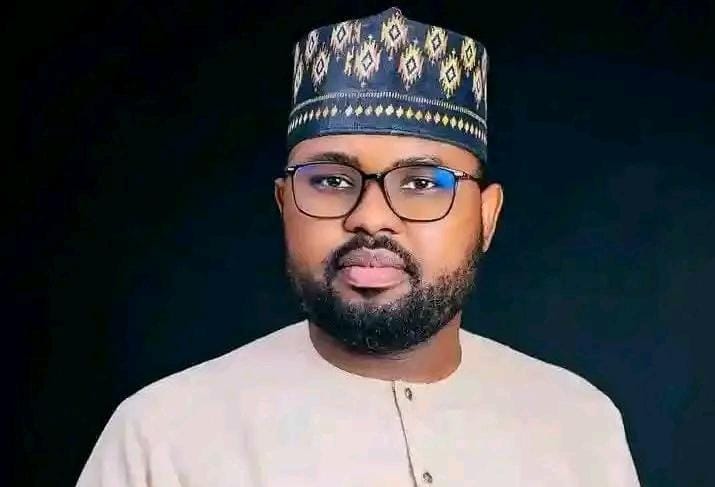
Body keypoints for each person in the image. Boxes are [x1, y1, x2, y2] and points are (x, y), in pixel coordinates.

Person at [76, 7, 640, 486]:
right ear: (284, 204)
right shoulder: (163, 438)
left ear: (486, 218)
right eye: (330, 180)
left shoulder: (578, 425)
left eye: (422, 182)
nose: (370, 218)